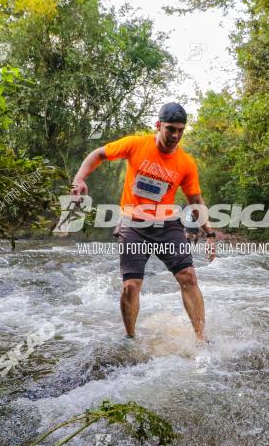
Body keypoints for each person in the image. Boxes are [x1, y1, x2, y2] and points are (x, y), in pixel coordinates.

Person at [71, 103, 216, 342]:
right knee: (131, 285)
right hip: (133, 224)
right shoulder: (135, 144)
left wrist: (209, 234)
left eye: (180, 130)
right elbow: (98, 154)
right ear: (158, 125)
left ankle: (202, 339)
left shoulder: (186, 163)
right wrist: (79, 179)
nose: (175, 135)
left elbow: (196, 200)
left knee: (188, 275)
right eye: (170, 129)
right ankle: (130, 338)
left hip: (167, 225)